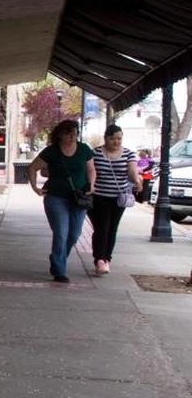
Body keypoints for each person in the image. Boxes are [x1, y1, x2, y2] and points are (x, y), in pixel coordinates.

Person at [27, 119, 96, 283]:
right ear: (59, 135)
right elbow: (32, 168)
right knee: (61, 232)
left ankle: (57, 258)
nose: (73, 137)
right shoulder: (51, 152)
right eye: (68, 133)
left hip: (79, 198)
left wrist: (92, 184)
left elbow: (91, 169)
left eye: (75, 133)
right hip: (56, 197)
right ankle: (59, 270)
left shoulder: (84, 149)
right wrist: (35, 187)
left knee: (74, 234)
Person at [88, 124, 141, 274]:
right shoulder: (96, 153)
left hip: (119, 198)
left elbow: (132, 171)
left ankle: (107, 259)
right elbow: (90, 171)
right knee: (102, 228)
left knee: (112, 228)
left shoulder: (128, 154)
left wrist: (136, 180)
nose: (116, 142)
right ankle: (99, 259)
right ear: (106, 138)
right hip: (99, 196)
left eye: (119, 138)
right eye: (112, 139)